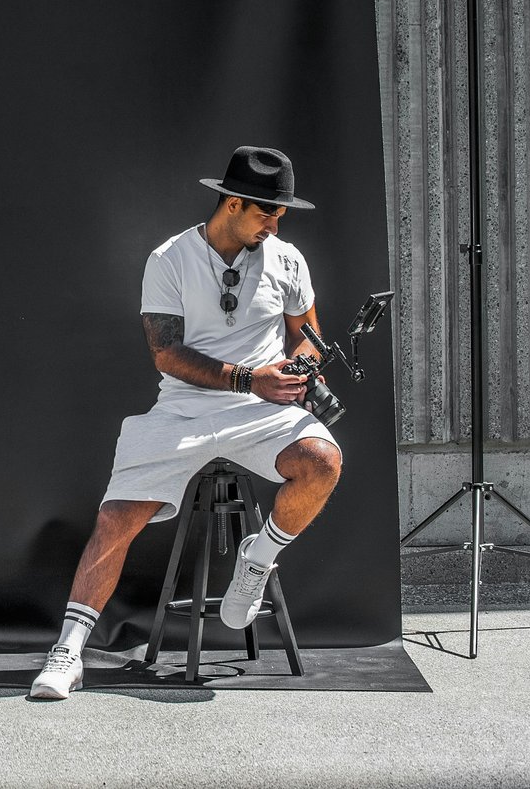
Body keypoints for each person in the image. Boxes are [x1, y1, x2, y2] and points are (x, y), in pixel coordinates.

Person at [28, 145, 343, 701]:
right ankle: (69, 651)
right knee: (116, 516)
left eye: (280, 213)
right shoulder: (169, 258)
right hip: (184, 407)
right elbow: (167, 354)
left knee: (323, 461)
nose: (276, 223)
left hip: (263, 410)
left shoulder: (287, 259)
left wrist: (300, 370)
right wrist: (252, 378)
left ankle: (259, 557)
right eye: (267, 212)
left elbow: (308, 335)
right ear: (233, 204)